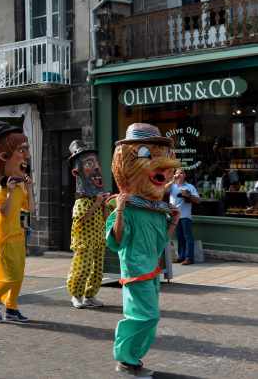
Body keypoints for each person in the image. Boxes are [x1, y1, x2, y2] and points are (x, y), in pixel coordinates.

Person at [107, 123, 181, 378]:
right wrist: (119, 210)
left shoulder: (155, 209)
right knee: (144, 316)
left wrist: (173, 221)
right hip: (136, 271)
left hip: (152, 271)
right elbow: (117, 242)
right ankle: (124, 355)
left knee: (151, 319)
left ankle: (132, 358)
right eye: (147, 154)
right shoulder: (125, 206)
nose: (161, 168)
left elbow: (161, 243)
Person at [0, 125, 32, 324]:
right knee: (9, 276)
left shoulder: (19, 188)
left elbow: (30, 208)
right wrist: (11, 192)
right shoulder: (1, 192)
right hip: (5, 239)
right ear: (4, 157)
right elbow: (2, 212)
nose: (27, 156)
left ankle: (11, 308)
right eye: (22, 150)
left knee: (18, 276)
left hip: (18, 237)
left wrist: (28, 187)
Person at [66, 140, 109, 309]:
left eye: (96, 162)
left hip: (98, 237)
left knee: (97, 269)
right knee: (82, 268)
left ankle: (90, 295)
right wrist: (97, 204)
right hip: (84, 240)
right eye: (90, 163)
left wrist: (104, 205)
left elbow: (105, 217)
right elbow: (80, 221)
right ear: (77, 171)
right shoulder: (81, 202)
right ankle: (76, 295)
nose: (97, 167)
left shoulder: (96, 198)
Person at [166, 169, 200, 265]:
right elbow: (163, 190)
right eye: (177, 173)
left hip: (185, 215)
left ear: (185, 175)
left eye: (181, 173)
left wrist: (188, 196)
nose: (179, 174)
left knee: (188, 237)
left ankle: (189, 258)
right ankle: (181, 256)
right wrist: (172, 180)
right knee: (179, 237)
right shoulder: (172, 186)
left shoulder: (189, 187)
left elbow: (198, 200)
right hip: (174, 216)